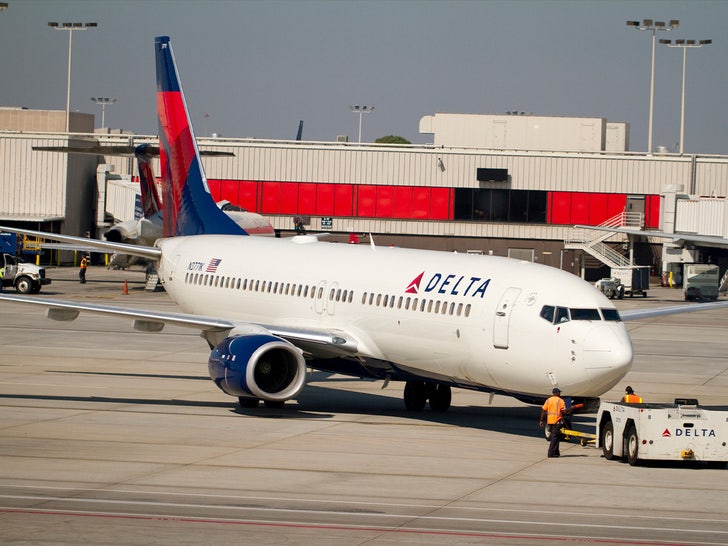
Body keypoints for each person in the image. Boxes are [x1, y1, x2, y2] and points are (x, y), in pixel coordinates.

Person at [540, 387, 567, 458]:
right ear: (557, 393)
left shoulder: (548, 400)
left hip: (550, 421)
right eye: (559, 392)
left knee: (556, 437)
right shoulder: (560, 401)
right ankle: (550, 453)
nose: (560, 393)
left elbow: (543, 411)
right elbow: (564, 411)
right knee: (555, 437)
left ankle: (556, 453)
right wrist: (570, 409)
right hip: (557, 421)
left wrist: (542, 420)